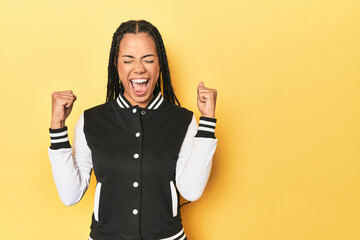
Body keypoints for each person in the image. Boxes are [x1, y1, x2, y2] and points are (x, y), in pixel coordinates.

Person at [48, 20, 218, 240]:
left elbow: (192, 191)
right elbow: (70, 195)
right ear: (116, 65)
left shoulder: (182, 120)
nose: (139, 68)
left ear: (160, 65)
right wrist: (57, 126)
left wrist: (207, 121)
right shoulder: (91, 120)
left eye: (148, 59)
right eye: (128, 60)